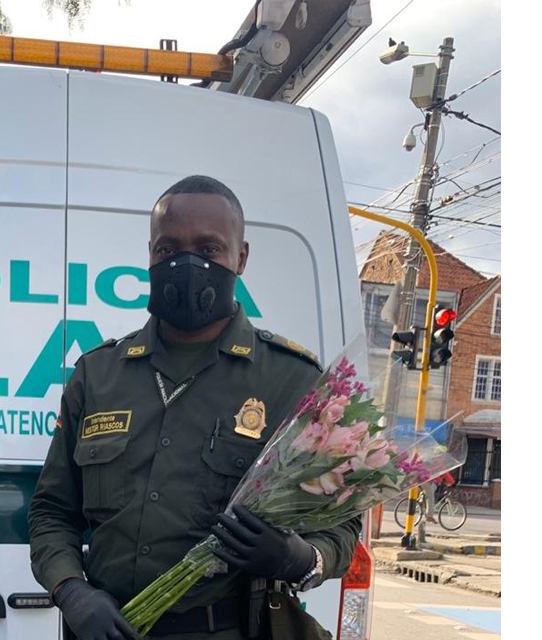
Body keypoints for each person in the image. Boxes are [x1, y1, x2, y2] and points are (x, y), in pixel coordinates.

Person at [28, 175, 362, 640]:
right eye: (168, 250)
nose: (187, 264)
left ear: (240, 257)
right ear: (150, 255)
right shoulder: (98, 374)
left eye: (209, 250)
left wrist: (298, 558)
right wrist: (71, 591)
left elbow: (343, 525)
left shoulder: (293, 381)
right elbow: (51, 511)